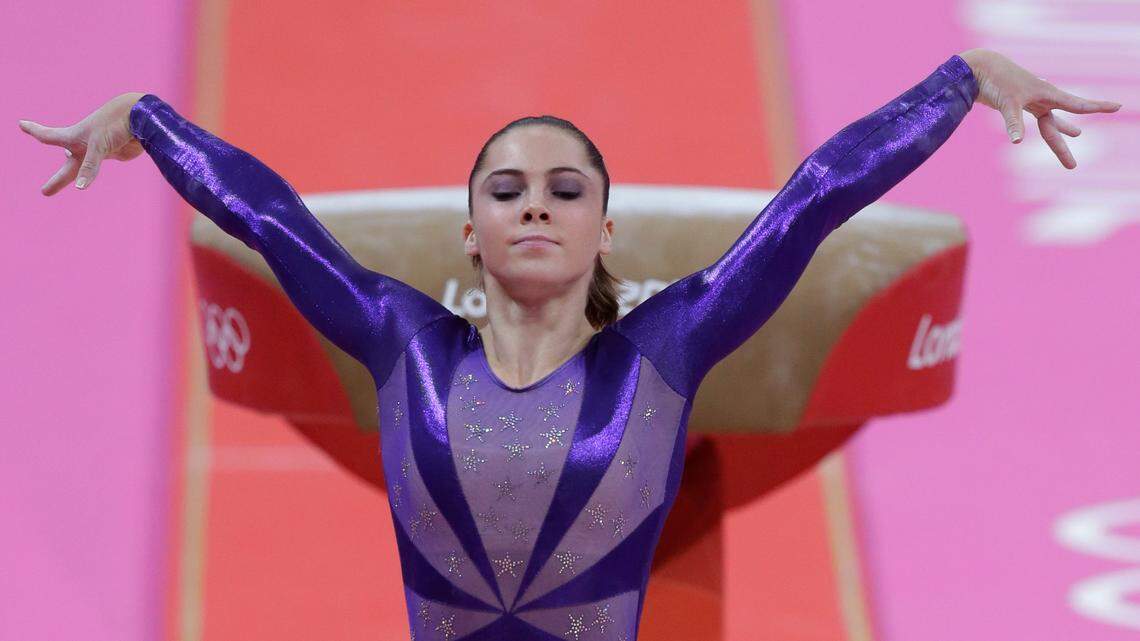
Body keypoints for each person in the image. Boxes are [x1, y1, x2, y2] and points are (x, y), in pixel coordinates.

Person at [20, 49, 1120, 641]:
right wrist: (147, 118)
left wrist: (962, 80)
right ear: (469, 231)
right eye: (506, 189)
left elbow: (813, 202)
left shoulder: (665, 349)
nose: (535, 207)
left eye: (564, 189)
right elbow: (270, 218)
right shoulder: (402, 339)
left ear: (606, 228)